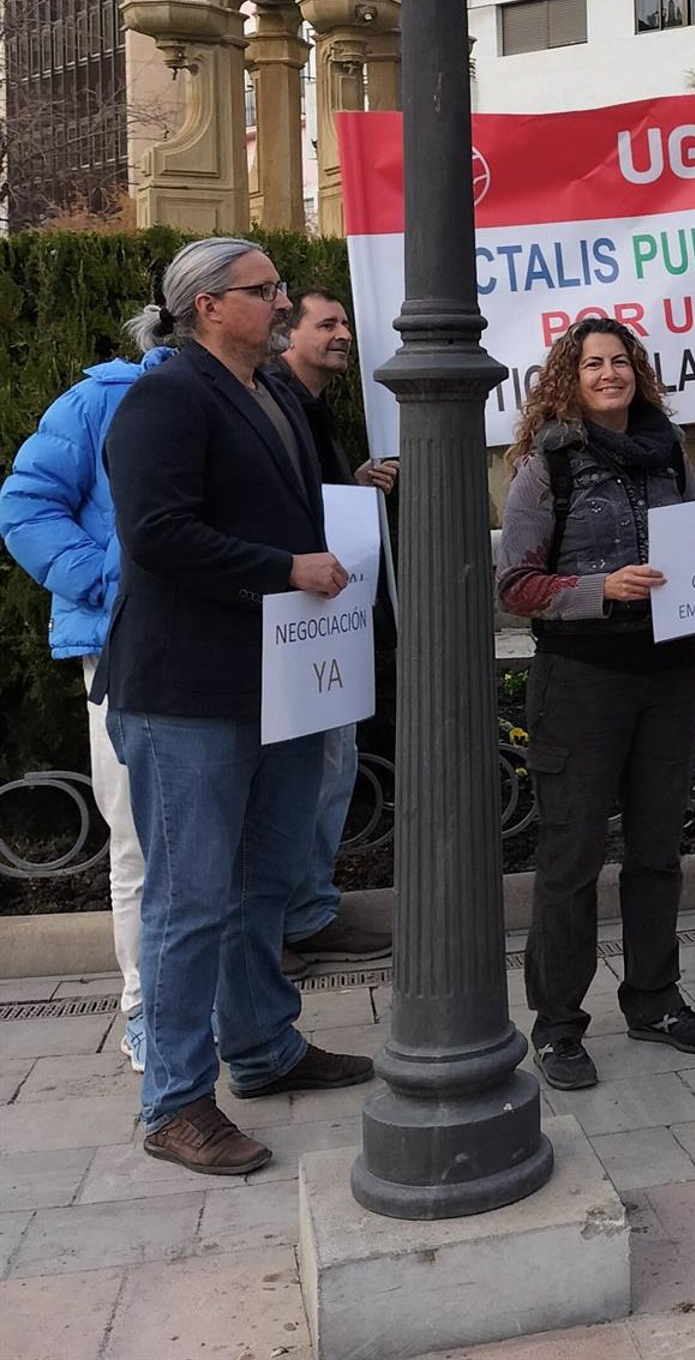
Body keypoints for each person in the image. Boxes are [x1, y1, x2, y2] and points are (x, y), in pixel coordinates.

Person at [103, 237, 374, 1176]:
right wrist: (284, 569)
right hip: (189, 695)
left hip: (277, 682)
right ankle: (174, 1103)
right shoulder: (167, 395)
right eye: (263, 293)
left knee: (265, 882)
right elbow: (157, 534)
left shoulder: (270, 397)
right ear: (208, 306)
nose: (282, 306)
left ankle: (264, 1049)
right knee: (190, 900)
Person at [495, 317, 695, 1091]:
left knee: (659, 849)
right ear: (569, 376)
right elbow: (515, 586)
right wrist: (602, 588)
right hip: (581, 678)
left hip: (668, 672)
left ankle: (654, 1001)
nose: (608, 374)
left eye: (619, 361)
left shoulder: (670, 452)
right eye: (592, 363)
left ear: (639, 371)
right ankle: (558, 1027)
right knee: (570, 859)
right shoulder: (545, 466)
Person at [0, 337, 174, 1073]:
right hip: (126, 647)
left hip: (229, 647)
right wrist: (105, 584)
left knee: (227, 842)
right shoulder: (104, 397)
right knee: (137, 836)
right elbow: (27, 502)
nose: (281, 310)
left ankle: (221, 1008)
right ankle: (144, 1009)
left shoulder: (251, 397)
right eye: (264, 294)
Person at [264, 288, 394, 978]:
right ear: (289, 334)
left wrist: (357, 482)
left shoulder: (313, 409)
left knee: (330, 769)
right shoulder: (273, 399)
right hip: (288, 622)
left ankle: (306, 913)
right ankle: (276, 922)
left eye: (346, 321)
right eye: (329, 323)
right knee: (295, 778)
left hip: (329, 618)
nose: (344, 333)